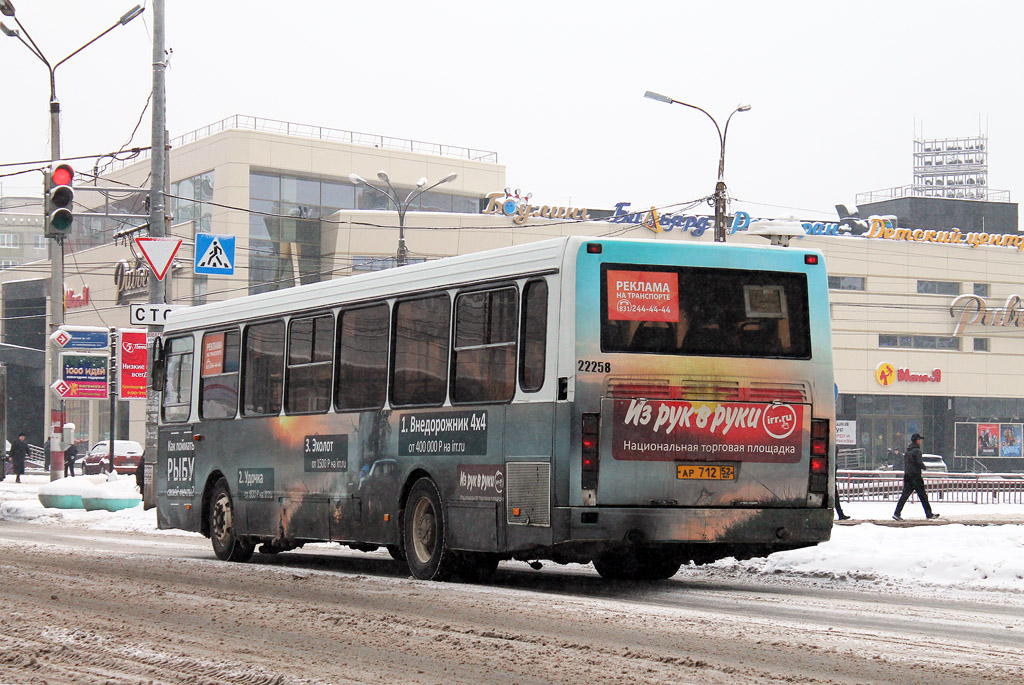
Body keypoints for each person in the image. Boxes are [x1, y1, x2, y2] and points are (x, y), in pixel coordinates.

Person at [893, 433, 939, 521]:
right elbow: (918, 462)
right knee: (923, 496)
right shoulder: (917, 451)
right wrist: (924, 467)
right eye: (919, 440)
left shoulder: (907, 451)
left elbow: (907, 463)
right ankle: (929, 514)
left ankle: (897, 513)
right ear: (917, 440)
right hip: (916, 477)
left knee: (904, 496)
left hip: (908, 476)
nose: (920, 441)